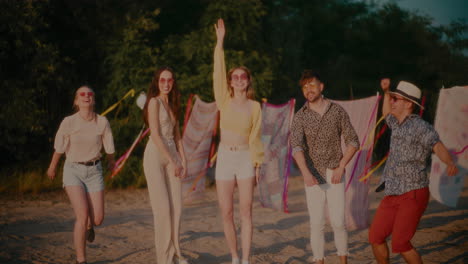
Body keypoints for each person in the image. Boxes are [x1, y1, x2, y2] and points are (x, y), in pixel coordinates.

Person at [369, 79, 459, 264]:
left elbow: (437, 145)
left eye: (396, 99)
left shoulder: (421, 126)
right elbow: (386, 113)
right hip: (392, 191)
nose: (392, 102)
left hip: (413, 192)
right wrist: (386, 92)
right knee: (375, 237)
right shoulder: (395, 122)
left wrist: (449, 162)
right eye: (392, 98)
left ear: (408, 104)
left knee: (401, 243)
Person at [290, 70, 359, 264]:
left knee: (338, 222)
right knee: (317, 224)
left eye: (312, 85)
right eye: (304, 87)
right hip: (312, 174)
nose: (308, 89)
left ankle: (343, 261)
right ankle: (319, 261)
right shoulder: (300, 116)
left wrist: (341, 166)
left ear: (321, 86)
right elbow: (296, 146)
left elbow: (353, 141)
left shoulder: (337, 111)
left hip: (334, 171)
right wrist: (305, 173)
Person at [213, 18, 264, 264]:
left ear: (248, 80)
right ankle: (234, 256)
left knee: (246, 211)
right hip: (225, 157)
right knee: (226, 211)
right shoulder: (223, 99)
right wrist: (220, 42)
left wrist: (256, 165)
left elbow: (255, 138)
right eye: (235, 77)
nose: (239, 79)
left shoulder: (255, 107)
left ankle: (245, 259)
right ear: (231, 81)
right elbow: (217, 71)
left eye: (243, 76)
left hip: (245, 158)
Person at [47, 85, 116, 264]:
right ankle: (81, 260)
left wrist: (111, 162)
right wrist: (52, 167)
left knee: (98, 219)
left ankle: (90, 226)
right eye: (82, 94)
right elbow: (59, 147)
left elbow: (108, 147)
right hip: (73, 171)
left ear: (93, 99)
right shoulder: (69, 122)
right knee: (82, 215)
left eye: (90, 94)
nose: (86, 96)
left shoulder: (102, 121)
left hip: (95, 171)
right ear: (76, 101)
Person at [142, 67, 189, 264]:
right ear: (157, 82)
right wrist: (172, 160)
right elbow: (155, 134)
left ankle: (176, 252)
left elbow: (177, 136)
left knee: (177, 207)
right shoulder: (154, 102)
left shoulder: (174, 104)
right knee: (162, 209)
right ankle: (165, 258)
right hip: (156, 153)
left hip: (172, 153)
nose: (166, 84)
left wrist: (183, 161)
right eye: (162, 80)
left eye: (169, 80)